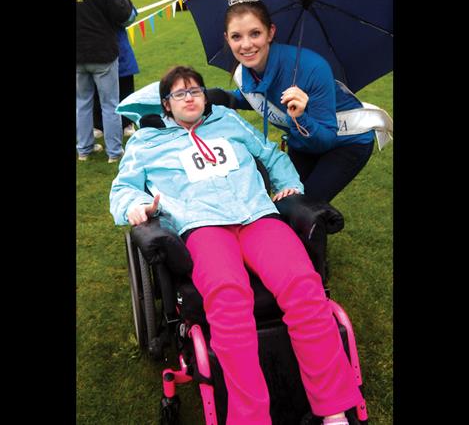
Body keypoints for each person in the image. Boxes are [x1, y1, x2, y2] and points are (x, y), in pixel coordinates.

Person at [110, 65, 364, 425]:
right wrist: (134, 206)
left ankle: (335, 409)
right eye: (179, 94)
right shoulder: (145, 143)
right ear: (166, 105)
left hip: (257, 216)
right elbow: (122, 189)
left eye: (195, 90)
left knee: (305, 289)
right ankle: (250, 418)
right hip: (202, 226)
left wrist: (288, 184)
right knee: (229, 301)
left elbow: (273, 157)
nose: (190, 98)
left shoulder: (228, 122)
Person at [221, 0, 392, 203]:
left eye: (255, 33)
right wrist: (220, 97)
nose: (246, 45)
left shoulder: (313, 67)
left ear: (270, 32)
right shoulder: (247, 70)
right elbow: (256, 96)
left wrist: (300, 116)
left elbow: (325, 140)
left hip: (346, 141)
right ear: (227, 38)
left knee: (306, 207)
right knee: (289, 200)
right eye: (237, 36)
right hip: (302, 140)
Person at [76, 0, 135, 163]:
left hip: (78, 54)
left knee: (82, 102)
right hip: (102, 51)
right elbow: (122, 13)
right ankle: (114, 152)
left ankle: (83, 149)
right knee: (110, 103)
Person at [93, 26, 139, 138]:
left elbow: (129, 15)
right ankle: (98, 125)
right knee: (96, 90)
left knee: (125, 88)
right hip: (94, 49)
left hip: (119, 48)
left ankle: (127, 123)